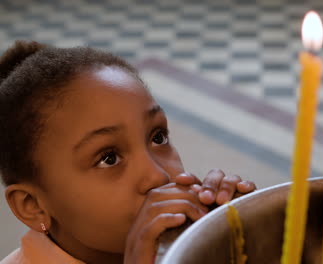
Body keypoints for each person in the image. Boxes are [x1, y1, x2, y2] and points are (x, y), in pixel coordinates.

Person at [0, 40, 256, 264]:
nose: (158, 176)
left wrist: (246, 242)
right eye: (108, 158)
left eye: (158, 137)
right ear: (33, 206)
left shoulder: (186, 243)